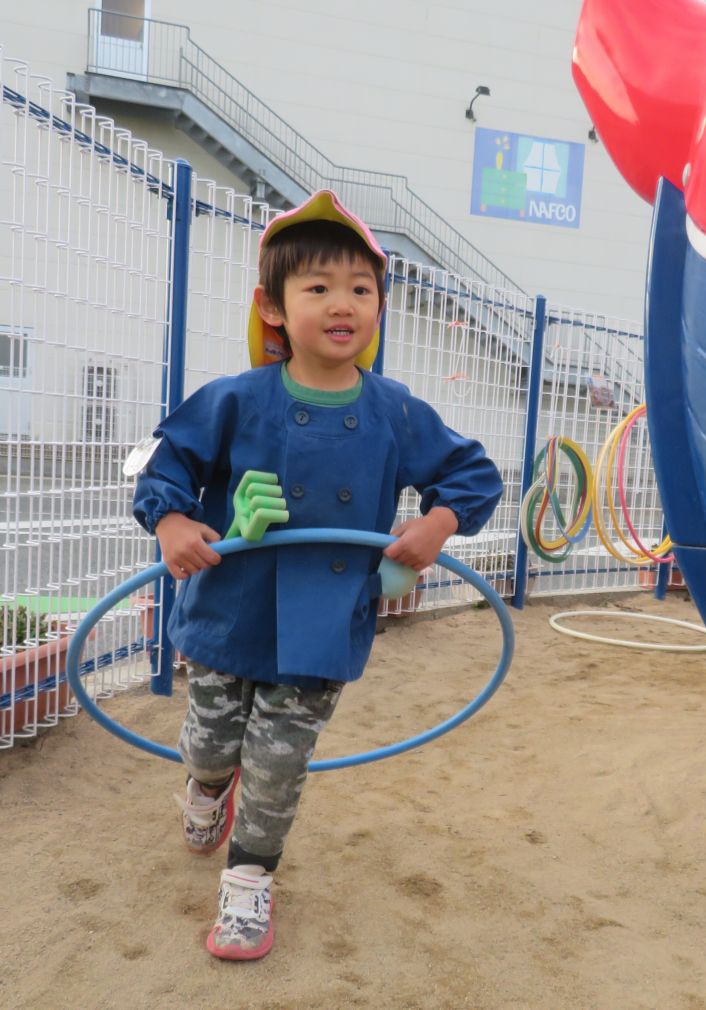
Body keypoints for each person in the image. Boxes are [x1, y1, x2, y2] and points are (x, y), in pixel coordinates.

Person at [132, 190, 504, 960]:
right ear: (272, 307)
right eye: (319, 288)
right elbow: (166, 463)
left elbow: (471, 473)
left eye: (361, 290)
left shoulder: (394, 412)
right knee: (211, 744)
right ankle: (204, 790)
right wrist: (171, 521)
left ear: (379, 306)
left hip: (323, 622)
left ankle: (249, 882)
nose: (344, 304)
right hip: (227, 613)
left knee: (276, 764)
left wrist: (435, 525)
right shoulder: (237, 399)